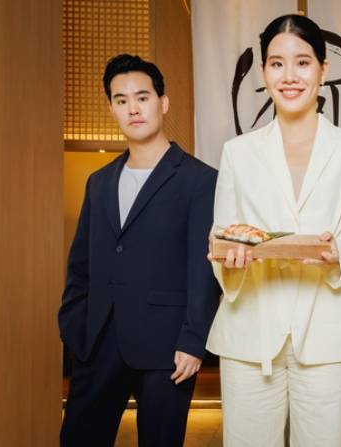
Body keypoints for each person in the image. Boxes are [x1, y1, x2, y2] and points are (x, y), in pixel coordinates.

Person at [205, 14, 341, 447]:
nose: (289, 76)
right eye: (276, 63)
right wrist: (232, 252)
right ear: (264, 72)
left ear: (323, 69)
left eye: (302, 62)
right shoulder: (237, 153)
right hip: (250, 331)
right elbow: (222, 234)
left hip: (330, 332)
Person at [58, 54, 220, 446]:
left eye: (142, 97)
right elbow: (81, 264)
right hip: (97, 345)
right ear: (112, 108)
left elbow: (202, 270)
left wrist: (193, 341)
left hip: (168, 351)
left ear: (163, 103)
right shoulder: (99, 182)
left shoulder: (200, 180)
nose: (133, 108)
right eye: (121, 100)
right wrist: (74, 326)